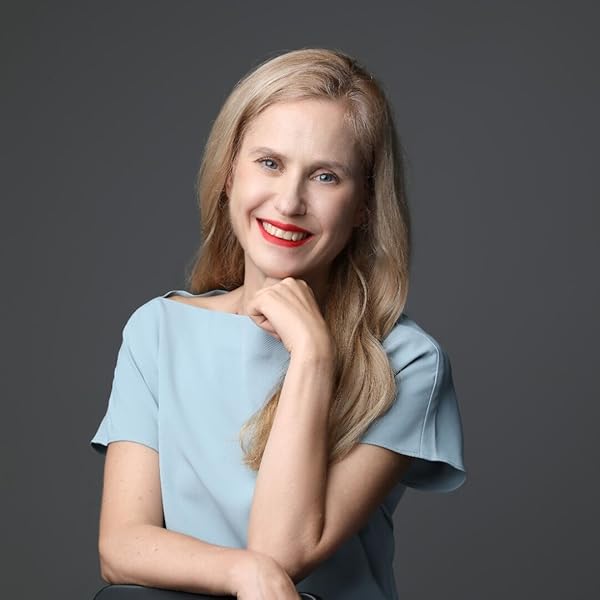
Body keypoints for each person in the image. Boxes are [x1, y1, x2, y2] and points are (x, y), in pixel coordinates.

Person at [90, 47, 467, 600]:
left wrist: (313, 356)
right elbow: (122, 546)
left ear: (364, 204)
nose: (289, 202)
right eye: (270, 163)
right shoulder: (158, 331)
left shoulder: (407, 362)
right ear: (228, 174)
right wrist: (244, 574)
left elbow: (282, 551)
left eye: (325, 176)